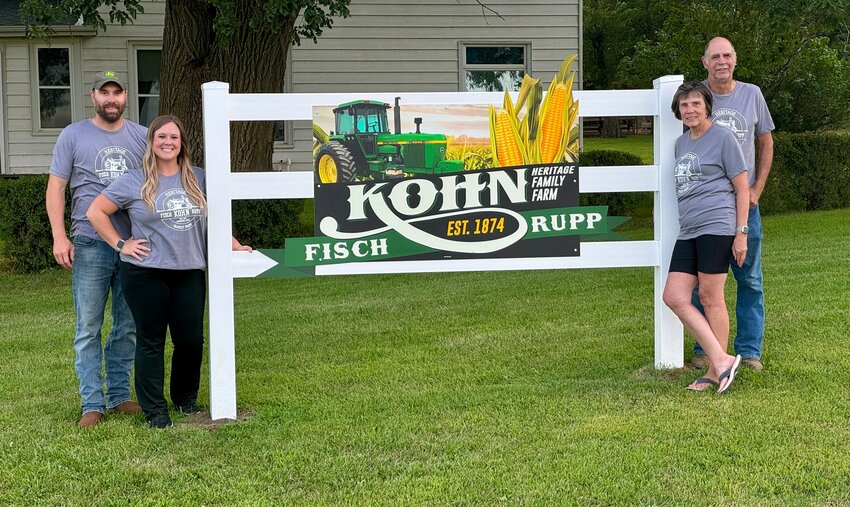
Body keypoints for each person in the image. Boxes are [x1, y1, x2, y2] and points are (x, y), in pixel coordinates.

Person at [87, 115, 252, 428]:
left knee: (190, 340)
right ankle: (155, 411)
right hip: (145, 273)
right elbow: (95, 211)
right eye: (161, 136)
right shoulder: (134, 180)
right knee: (151, 341)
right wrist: (121, 244)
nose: (168, 142)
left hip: (189, 270)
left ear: (182, 144)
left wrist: (234, 244)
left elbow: (214, 219)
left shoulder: (200, 177)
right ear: (151, 142)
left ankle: (185, 399)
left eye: (174, 137)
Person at [46, 71, 147, 428]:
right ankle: (92, 402)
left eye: (116, 93)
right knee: (88, 325)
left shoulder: (143, 137)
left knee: (127, 324)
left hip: (133, 243)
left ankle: (119, 395)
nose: (111, 99)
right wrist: (60, 236)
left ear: (126, 97)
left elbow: (159, 184)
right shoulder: (73, 135)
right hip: (89, 241)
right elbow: (56, 187)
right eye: (104, 93)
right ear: (93, 96)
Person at [691, 36, 775, 372]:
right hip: (708, 208)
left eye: (727, 55)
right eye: (715, 56)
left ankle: (749, 351)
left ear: (735, 60)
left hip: (745, 206)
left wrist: (757, 188)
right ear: (704, 62)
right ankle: (704, 349)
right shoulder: (694, 96)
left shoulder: (752, 94)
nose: (721, 61)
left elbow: (766, 142)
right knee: (704, 280)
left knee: (749, 279)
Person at [663, 81, 749, 393]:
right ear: (679, 110)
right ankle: (722, 359)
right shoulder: (681, 143)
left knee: (711, 297)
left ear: (707, 106)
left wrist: (741, 233)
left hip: (717, 225)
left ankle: (716, 371)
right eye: (684, 105)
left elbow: (742, 188)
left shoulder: (723, 137)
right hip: (689, 230)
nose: (690, 110)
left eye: (696, 103)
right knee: (674, 296)